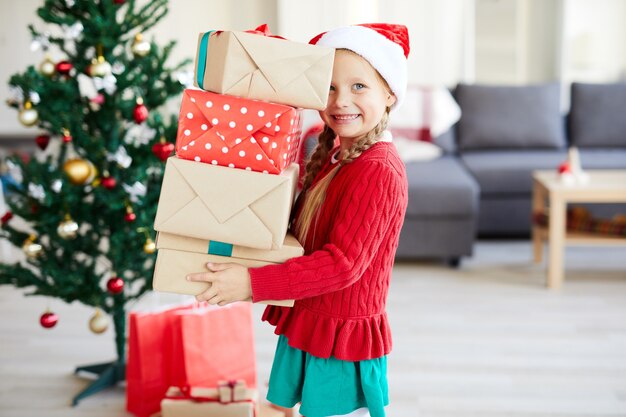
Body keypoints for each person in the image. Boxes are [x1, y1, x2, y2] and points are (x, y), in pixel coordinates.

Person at [187, 23, 410, 417]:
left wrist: (252, 283)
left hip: (339, 340)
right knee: (285, 409)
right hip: (311, 319)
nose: (341, 101)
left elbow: (343, 264)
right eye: (328, 87)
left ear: (389, 93)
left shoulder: (378, 170)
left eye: (359, 87)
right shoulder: (337, 154)